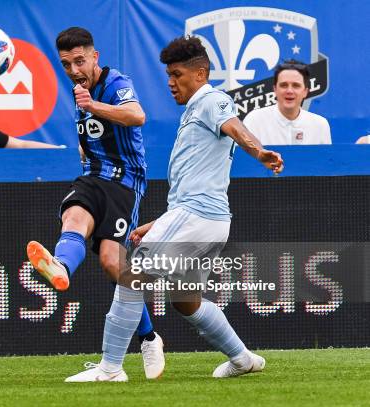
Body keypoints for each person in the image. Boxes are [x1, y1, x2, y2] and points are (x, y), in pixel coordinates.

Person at [65, 36, 284, 382]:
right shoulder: (195, 111)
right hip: (208, 220)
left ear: (199, 74)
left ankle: (109, 369)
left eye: (177, 74)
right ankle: (242, 358)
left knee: (130, 275)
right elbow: (196, 184)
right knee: (185, 299)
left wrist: (259, 152)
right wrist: (158, 222)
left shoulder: (212, 100)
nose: (170, 82)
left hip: (197, 217)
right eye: (168, 74)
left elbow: (236, 128)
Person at [26, 27, 165, 380]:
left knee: (110, 260)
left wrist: (94, 106)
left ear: (95, 57)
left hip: (124, 182)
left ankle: (149, 337)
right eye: (66, 64)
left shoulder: (115, 83)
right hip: (91, 177)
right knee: (72, 218)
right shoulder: (79, 91)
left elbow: (137, 116)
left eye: (79, 61)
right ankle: (61, 268)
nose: (73, 69)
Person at [243, 60, 331, 145]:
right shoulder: (254, 121)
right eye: (283, 85)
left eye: (296, 85)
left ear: (305, 91)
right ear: (275, 89)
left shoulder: (320, 125)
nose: (289, 91)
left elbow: (326, 159)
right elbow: (244, 159)